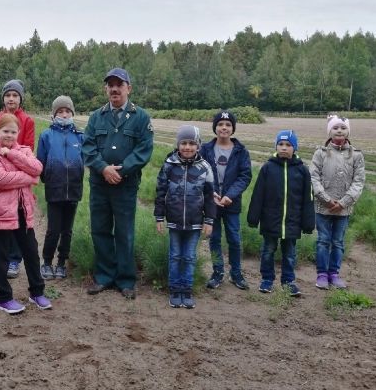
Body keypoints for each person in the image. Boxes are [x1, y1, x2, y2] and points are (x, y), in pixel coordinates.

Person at [82, 68, 154, 299]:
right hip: (100, 184)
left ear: (128, 88)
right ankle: (104, 277)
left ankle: (125, 280)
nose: (114, 88)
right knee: (100, 230)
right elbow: (88, 147)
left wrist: (120, 172)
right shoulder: (96, 117)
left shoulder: (141, 117)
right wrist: (103, 168)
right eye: (110, 85)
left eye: (119, 84)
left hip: (125, 185)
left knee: (124, 232)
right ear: (106, 89)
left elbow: (144, 150)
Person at [0, 113, 51, 314]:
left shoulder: (24, 150)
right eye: (5, 131)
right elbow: (1, 179)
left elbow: (37, 168)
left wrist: (11, 154)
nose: (9, 135)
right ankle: (3, 298)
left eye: (13, 132)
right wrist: (29, 179)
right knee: (2, 257)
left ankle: (36, 293)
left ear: (18, 133)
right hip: (2, 212)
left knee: (31, 251)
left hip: (23, 210)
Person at [247, 130, 315, 296]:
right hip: (271, 220)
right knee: (268, 251)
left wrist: (307, 223)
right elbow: (258, 194)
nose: (284, 148)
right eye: (281, 144)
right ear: (276, 146)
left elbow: (308, 198)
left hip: (293, 221)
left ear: (295, 148)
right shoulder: (268, 168)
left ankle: (289, 281)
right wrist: (253, 217)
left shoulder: (302, 171)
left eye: (288, 145)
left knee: (290, 254)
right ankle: (267, 280)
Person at [155, 125, 216, 309]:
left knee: (189, 256)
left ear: (198, 145)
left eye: (192, 143)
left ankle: (186, 290)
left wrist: (209, 220)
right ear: (178, 144)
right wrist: (159, 217)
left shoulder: (204, 167)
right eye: (184, 143)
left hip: (195, 222)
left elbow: (209, 196)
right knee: (175, 255)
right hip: (173, 221)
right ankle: (174, 290)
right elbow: (160, 192)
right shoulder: (169, 165)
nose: (187, 147)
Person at [0, 79, 35, 279]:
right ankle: (2, 259)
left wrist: (20, 166)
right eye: (8, 95)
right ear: (3, 98)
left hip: (19, 170)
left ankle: (15, 258)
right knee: (4, 215)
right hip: (2, 171)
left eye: (15, 95)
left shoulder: (27, 120)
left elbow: (29, 147)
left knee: (20, 216)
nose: (11, 99)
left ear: (20, 99)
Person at [310, 115, 365, 290]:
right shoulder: (320, 153)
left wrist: (343, 202)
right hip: (322, 208)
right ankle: (321, 275)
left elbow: (358, 182)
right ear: (329, 131)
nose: (339, 131)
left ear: (348, 131)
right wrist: (326, 199)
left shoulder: (356, 155)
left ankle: (334, 274)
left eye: (343, 127)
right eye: (335, 128)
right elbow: (314, 178)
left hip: (343, 209)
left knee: (338, 242)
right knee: (323, 241)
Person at [199, 110, 252, 291]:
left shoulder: (241, 151)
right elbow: (200, 173)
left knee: (234, 239)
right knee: (214, 238)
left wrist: (230, 195)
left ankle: (236, 274)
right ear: (215, 127)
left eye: (228, 125)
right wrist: (212, 193)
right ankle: (217, 273)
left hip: (231, 203)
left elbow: (245, 176)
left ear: (233, 129)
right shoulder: (205, 149)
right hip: (211, 203)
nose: (224, 127)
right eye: (220, 124)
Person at [37, 95, 84, 279]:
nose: (64, 115)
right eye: (60, 111)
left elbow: (85, 160)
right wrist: (47, 178)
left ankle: (62, 262)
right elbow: (40, 161)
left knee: (67, 230)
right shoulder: (46, 135)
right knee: (53, 229)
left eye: (67, 111)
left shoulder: (80, 136)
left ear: (72, 113)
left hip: (73, 190)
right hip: (54, 190)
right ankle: (47, 262)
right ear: (54, 114)